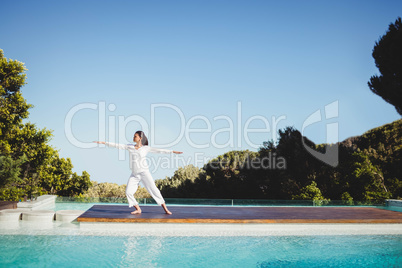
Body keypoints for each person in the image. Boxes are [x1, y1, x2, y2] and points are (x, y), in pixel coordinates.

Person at [94, 130, 182, 215]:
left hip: (144, 173)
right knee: (128, 192)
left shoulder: (145, 148)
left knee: (154, 190)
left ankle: (166, 209)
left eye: (135, 136)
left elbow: (159, 150)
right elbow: (117, 145)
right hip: (134, 174)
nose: (133, 137)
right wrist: (104, 142)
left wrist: (172, 152)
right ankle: (138, 209)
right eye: (134, 136)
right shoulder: (130, 147)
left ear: (140, 138)